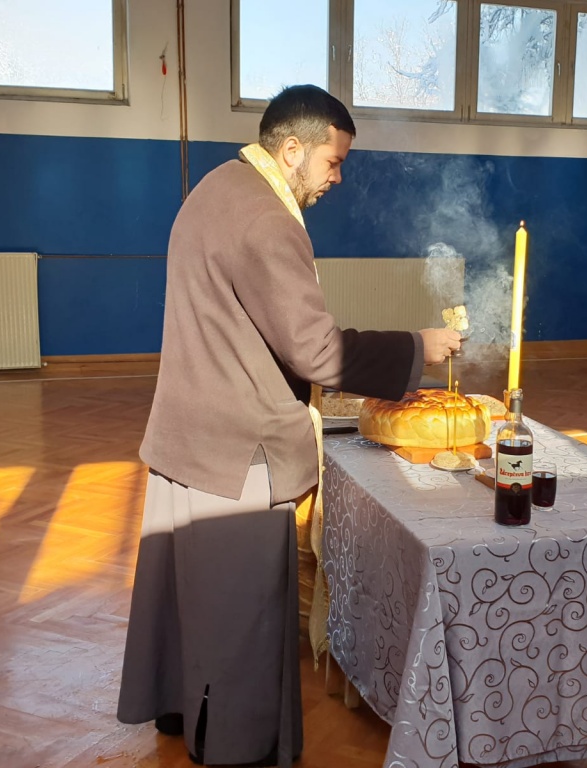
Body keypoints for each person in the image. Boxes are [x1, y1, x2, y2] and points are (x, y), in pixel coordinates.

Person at [116, 84, 460, 767]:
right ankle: (236, 746)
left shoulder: (219, 185)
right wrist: (418, 347)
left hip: (188, 431)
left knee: (188, 598)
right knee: (239, 613)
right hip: (236, 450)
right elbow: (317, 352)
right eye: (334, 161)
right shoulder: (267, 220)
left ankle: (182, 712)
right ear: (293, 148)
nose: (337, 178)